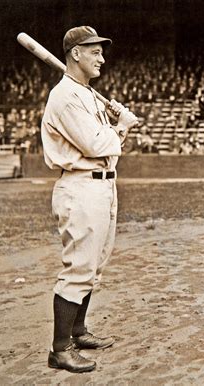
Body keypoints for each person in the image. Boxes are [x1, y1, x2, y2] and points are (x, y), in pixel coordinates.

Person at [41, 26, 137, 373]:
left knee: (93, 266)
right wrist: (122, 125)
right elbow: (98, 145)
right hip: (80, 187)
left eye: (101, 51)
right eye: (94, 51)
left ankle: (78, 331)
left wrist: (112, 121)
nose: (102, 57)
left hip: (101, 186)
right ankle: (60, 348)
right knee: (79, 268)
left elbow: (101, 141)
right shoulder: (65, 96)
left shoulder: (84, 93)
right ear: (75, 54)